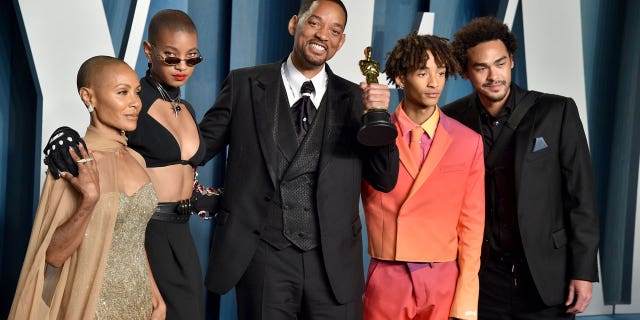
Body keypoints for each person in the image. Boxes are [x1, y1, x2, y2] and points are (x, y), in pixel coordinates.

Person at [198, 0, 399, 318]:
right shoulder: (244, 85)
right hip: (263, 258)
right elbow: (197, 150)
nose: (323, 35)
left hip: (333, 265)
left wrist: (380, 118)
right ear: (295, 24)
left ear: (341, 42)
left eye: (334, 30)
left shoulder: (355, 100)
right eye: (315, 23)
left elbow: (385, 179)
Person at [442, 16, 599, 319]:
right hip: (480, 278)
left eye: (500, 64)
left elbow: (581, 197)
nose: (493, 76)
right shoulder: (451, 119)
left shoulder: (557, 111)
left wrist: (583, 271)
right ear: (464, 72)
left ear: (512, 61)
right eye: (481, 67)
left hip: (546, 274)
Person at [9, 56, 165, 319]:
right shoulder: (72, 162)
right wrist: (89, 200)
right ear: (88, 97)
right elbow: (53, 256)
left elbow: (133, 238)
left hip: (140, 303)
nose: (135, 102)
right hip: (93, 306)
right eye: (122, 92)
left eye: (136, 92)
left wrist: (156, 296)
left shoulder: (137, 159)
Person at [361, 32, 485, 320]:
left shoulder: (468, 141)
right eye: (422, 72)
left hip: (444, 278)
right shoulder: (371, 135)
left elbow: (472, 225)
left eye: (441, 73)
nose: (434, 83)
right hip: (388, 273)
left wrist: (466, 299)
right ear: (401, 79)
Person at [125, 9, 212, 320]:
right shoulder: (132, 102)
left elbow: (185, 176)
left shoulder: (185, 106)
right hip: (144, 236)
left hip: (182, 235)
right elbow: (104, 153)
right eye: (171, 58)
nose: (183, 67)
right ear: (149, 50)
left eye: (192, 58)